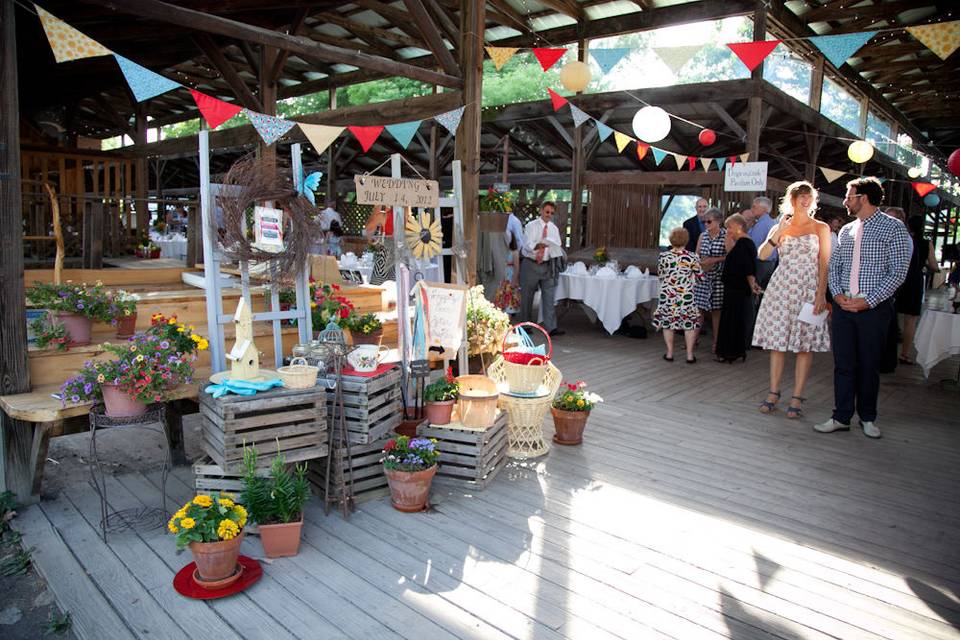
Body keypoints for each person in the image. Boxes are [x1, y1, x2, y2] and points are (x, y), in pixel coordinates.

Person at [815, 177, 911, 439]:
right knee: (843, 364)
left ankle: (867, 418)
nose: (845, 200)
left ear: (863, 198)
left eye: (849, 195)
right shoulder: (846, 230)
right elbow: (835, 267)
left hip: (874, 309)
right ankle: (841, 416)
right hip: (844, 308)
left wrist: (869, 300)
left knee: (869, 365)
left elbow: (898, 271)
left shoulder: (893, 228)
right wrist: (837, 295)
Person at [752, 181, 832, 419]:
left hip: (809, 288)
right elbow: (763, 255)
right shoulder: (781, 225)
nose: (805, 201)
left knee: (804, 345)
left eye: (809, 197)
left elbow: (824, 262)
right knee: (778, 343)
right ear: (792, 199)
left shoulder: (821, 227)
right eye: (801, 196)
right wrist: (777, 234)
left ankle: (797, 395)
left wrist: (821, 294)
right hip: (781, 287)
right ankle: (773, 392)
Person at [715, 214, 761, 363]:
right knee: (732, 320)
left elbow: (749, 269)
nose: (728, 230)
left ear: (739, 227)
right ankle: (732, 351)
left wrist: (752, 285)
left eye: (730, 227)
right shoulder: (741, 243)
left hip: (737, 289)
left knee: (733, 321)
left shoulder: (744, 244)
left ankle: (730, 352)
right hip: (733, 288)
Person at [653, 227, 703, 363]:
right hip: (685, 294)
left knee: (668, 323)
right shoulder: (693, 257)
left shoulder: (664, 256)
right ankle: (690, 355)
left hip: (668, 293)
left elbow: (661, 274)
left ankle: (669, 353)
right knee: (689, 324)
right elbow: (700, 277)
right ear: (686, 240)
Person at [897, 214, 939, 364]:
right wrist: (927, 265)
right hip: (915, 280)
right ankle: (904, 354)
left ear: (908, 226)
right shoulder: (926, 243)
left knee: (892, 315)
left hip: (898, 278)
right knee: (911, 320)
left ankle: (884, 349)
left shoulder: (902, 240)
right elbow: (934, 265)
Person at [520, 201, 565, 337]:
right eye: (547, 212)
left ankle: (551, 328)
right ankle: (525, 326)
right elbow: (527, 245)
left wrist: (555, 250)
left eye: (551, 213)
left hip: (547, 265)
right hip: (531, 264)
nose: (549, 215)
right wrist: (538, 245)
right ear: (541, 211)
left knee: (549, 297)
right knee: (527, 296)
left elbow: (558, 245)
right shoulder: (531, 226)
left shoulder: (554, 229)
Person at [692, 208, 726, 353]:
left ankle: (717, 342)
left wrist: (715, 259)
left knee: (716, 311)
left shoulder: (726, 235)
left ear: (718, 221)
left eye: (709, 221)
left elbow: (731, 255)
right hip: (703, 277)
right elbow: (697, 254)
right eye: (704, 221)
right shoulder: (703, 236)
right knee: (698, 310)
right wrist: (698, 264)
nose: (706, 223)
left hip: (718, 278)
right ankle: (693, 340)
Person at [364, 205, 395, 285]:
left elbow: (368, 229)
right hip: (401, 254)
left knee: (379, 287)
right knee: (399, 288)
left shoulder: (384, 214)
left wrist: (376, 209)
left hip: (385, 254)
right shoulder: (407, 215)